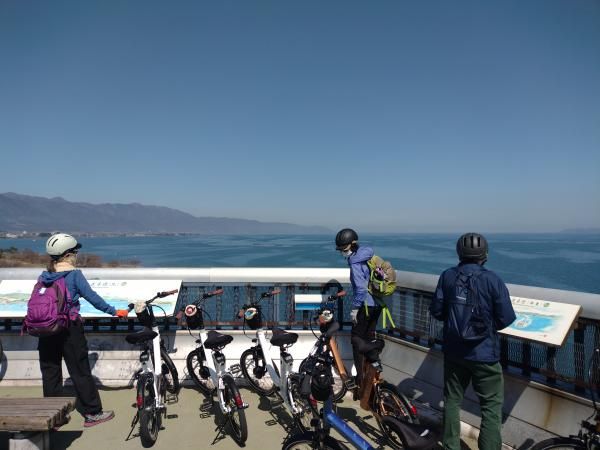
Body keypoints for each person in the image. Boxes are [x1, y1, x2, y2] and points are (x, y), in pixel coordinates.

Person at [429, 232, 516, 450]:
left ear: (459, 252)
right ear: (484, 254)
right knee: (490, 408)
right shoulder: (492, 280)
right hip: (485, 354)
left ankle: (451, 446)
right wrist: (484, 328)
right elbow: (506, 318)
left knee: (452, 400)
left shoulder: (447, 276)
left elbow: (437, 311)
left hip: (454, 351)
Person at [38, 233, 129, 427]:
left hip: (46, 327)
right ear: (68, 254)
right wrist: (114, 311)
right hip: (69, 328)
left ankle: (54, 416)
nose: (77, 254)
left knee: (50, 371)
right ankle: (93, 413)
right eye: (75, 251)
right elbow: (92, 297)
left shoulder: (45, 275)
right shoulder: (73, 275)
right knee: (80, 370)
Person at [334, 228, 382, 389]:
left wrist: (355, 309)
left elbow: (360, 290)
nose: (343, 253)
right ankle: (374, 369)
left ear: (353, 245)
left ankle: (361, 380)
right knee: (368, 338)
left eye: (344, 249)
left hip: (365, 307)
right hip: (377, 305)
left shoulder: (355, 263)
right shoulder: (366, 255)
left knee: (357, 341)